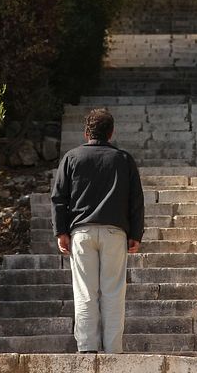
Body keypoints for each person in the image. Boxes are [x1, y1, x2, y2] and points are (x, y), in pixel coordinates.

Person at [51, 108, 144, 354]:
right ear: (111, 133)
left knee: (85, 292)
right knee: (113, 293)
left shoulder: (72, 158)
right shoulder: (123, 159)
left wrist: (61, 231)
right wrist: (136, 234)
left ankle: (87, 349)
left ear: (86, 133)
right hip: (115, 233)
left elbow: (59, 198)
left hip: (81, 233)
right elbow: (136, 199)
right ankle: (113, 351)